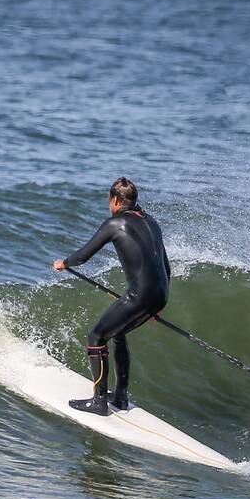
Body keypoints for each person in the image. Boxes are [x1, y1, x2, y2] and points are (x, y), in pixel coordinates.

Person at [53, 177, 171, 416]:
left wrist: (64, 263)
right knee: (117, 333)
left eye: (110, 201)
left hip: (141, 295)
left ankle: (99, 401)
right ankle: (120, 396)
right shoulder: (151, 222)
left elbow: (84, 255)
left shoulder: (115, 223)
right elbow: (166, 266)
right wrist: (156, 305)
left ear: (116, 200)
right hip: (160, 293)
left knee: (96, 336)